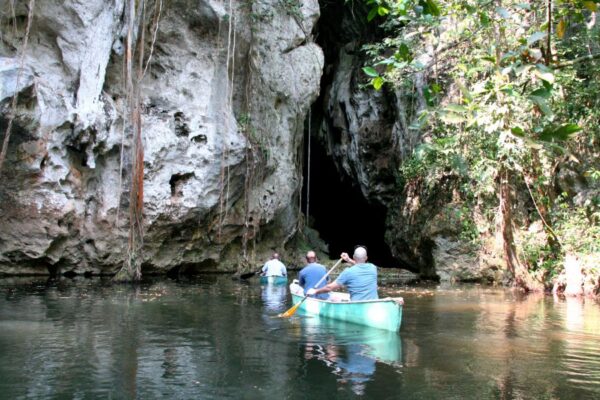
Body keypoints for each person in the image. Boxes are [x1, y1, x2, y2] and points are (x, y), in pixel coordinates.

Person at [307, 246, 378, 301]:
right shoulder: (373, 268)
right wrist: (348, 260)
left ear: (354, 257)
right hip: (373, 305)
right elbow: (360, 265)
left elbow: (329, 287)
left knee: (335, 298)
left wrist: (315, 291)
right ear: (366, 258)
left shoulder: (348, 272)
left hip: (357, 305)